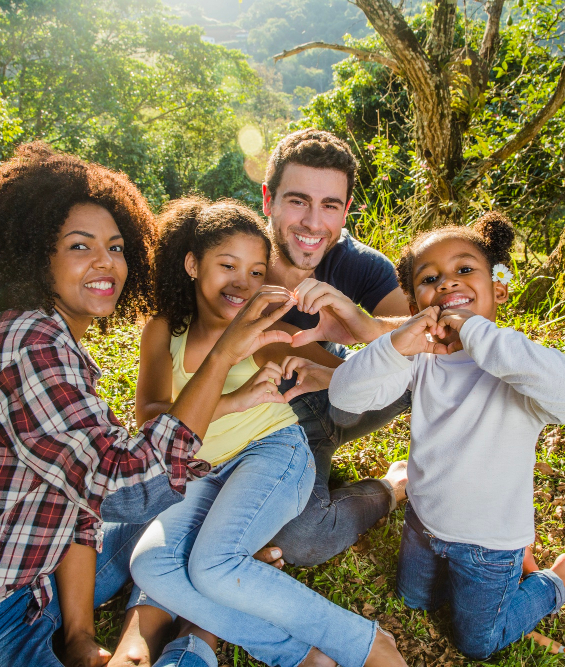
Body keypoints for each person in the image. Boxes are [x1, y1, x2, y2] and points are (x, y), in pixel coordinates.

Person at [0, 144, 295, 667]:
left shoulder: (58, 341)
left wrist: (78, 637)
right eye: (79, 246)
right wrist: (226, 353)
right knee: (160, 509)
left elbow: (80, 503)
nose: (106, 263)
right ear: (33, 253)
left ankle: (209, 579)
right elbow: (125, 486)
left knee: (177, 519)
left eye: (116, 247)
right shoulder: (25, 343)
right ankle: (200, 632)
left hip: (28, 588)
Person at [128, 197, 407, 667]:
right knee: (150, 564)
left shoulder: (264, 328)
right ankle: (303, 656)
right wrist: (237, 400)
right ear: (193, 264)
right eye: (227, 265)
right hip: (203, 470)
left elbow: (352, 375)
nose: (243, 282)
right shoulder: (164, 330)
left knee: (211, 565)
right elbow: (153, 417)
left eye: (257, 272)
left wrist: (355, 331)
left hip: (273, 453)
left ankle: (365, 643)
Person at [328, 212, 565, 659]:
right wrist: (398, 342)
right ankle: (457, 574)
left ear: (499, 289)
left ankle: (557, 581)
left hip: (489, 547)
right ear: (416, 305)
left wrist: (475, 333)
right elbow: (345, 398)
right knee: (414, 601)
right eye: (430, 278)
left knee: (477, 644)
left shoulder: (518, 367)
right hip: (423, 523)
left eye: (464, 269)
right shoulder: (422, 358)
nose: (448, 283)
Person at [256, 129, 414, 567]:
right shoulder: (233, 255)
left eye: (329, 205)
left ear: (345, 211)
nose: (312, 222)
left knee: (422, 371)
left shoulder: (359, 263)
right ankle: (389, 487)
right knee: (300, 542)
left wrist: (362, 324)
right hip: (282, 426)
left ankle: (398, 484)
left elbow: (428, 335)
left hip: (343, 398)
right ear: (268, 199)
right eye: (298, 200)